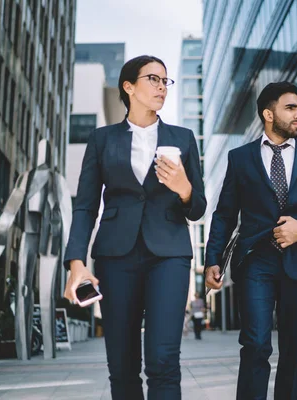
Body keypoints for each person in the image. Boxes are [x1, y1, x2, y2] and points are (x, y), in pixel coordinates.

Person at [63, 55, 206, 400]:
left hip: (169, 254)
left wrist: (184, 188)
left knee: (163, 360)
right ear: (128, 87)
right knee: (123, 365)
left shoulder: (183, 138)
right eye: (153, 79)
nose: (161, 87)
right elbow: (84, 206)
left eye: (165, 81)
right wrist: (76, 262)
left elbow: (197, 208)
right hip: (115, 256)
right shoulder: (101, 139)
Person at [204, 82, 297, 400]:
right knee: (255, 344)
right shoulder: (240, 159)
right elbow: (225, 214)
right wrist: (213, 259)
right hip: (255, 261)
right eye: (291, 108)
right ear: (268, 114)